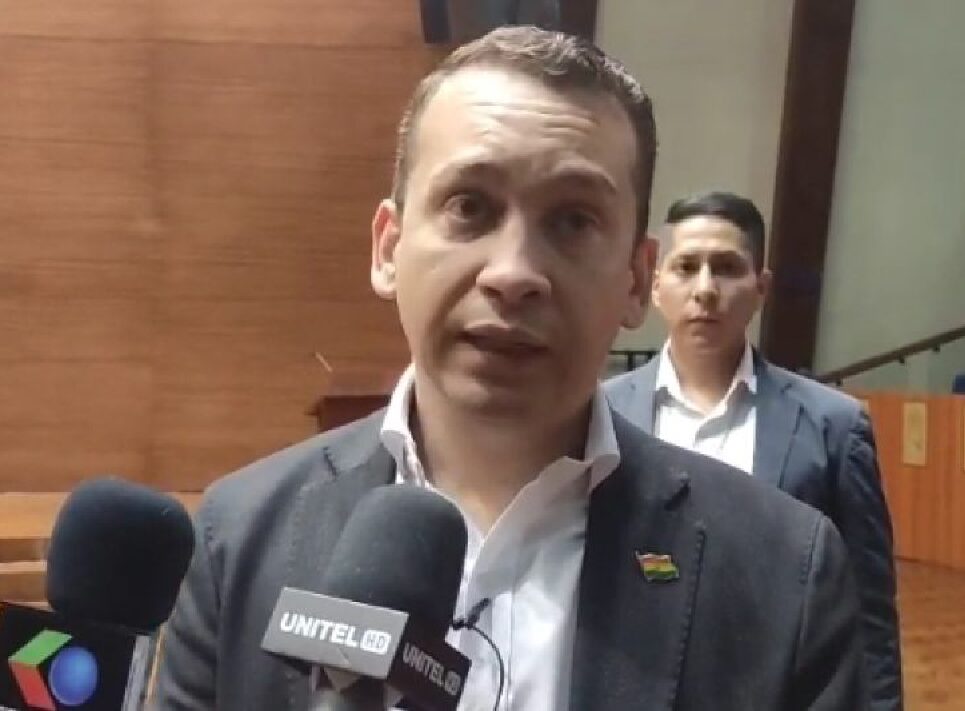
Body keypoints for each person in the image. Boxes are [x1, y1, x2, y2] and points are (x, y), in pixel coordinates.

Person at [153, 28, 867, 710]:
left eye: (573, 220)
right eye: (469, 207)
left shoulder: (787, 572)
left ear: (633, 277)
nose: (513, 273)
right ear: (388, 248)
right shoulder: (237, 538)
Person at [606, 190, 901, 710]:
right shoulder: (602, 413)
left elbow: (869, 614)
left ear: (760, 288)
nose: (705, 289)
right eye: (686, 267)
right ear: (655, 284)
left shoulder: (833, 425)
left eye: (726, 268)